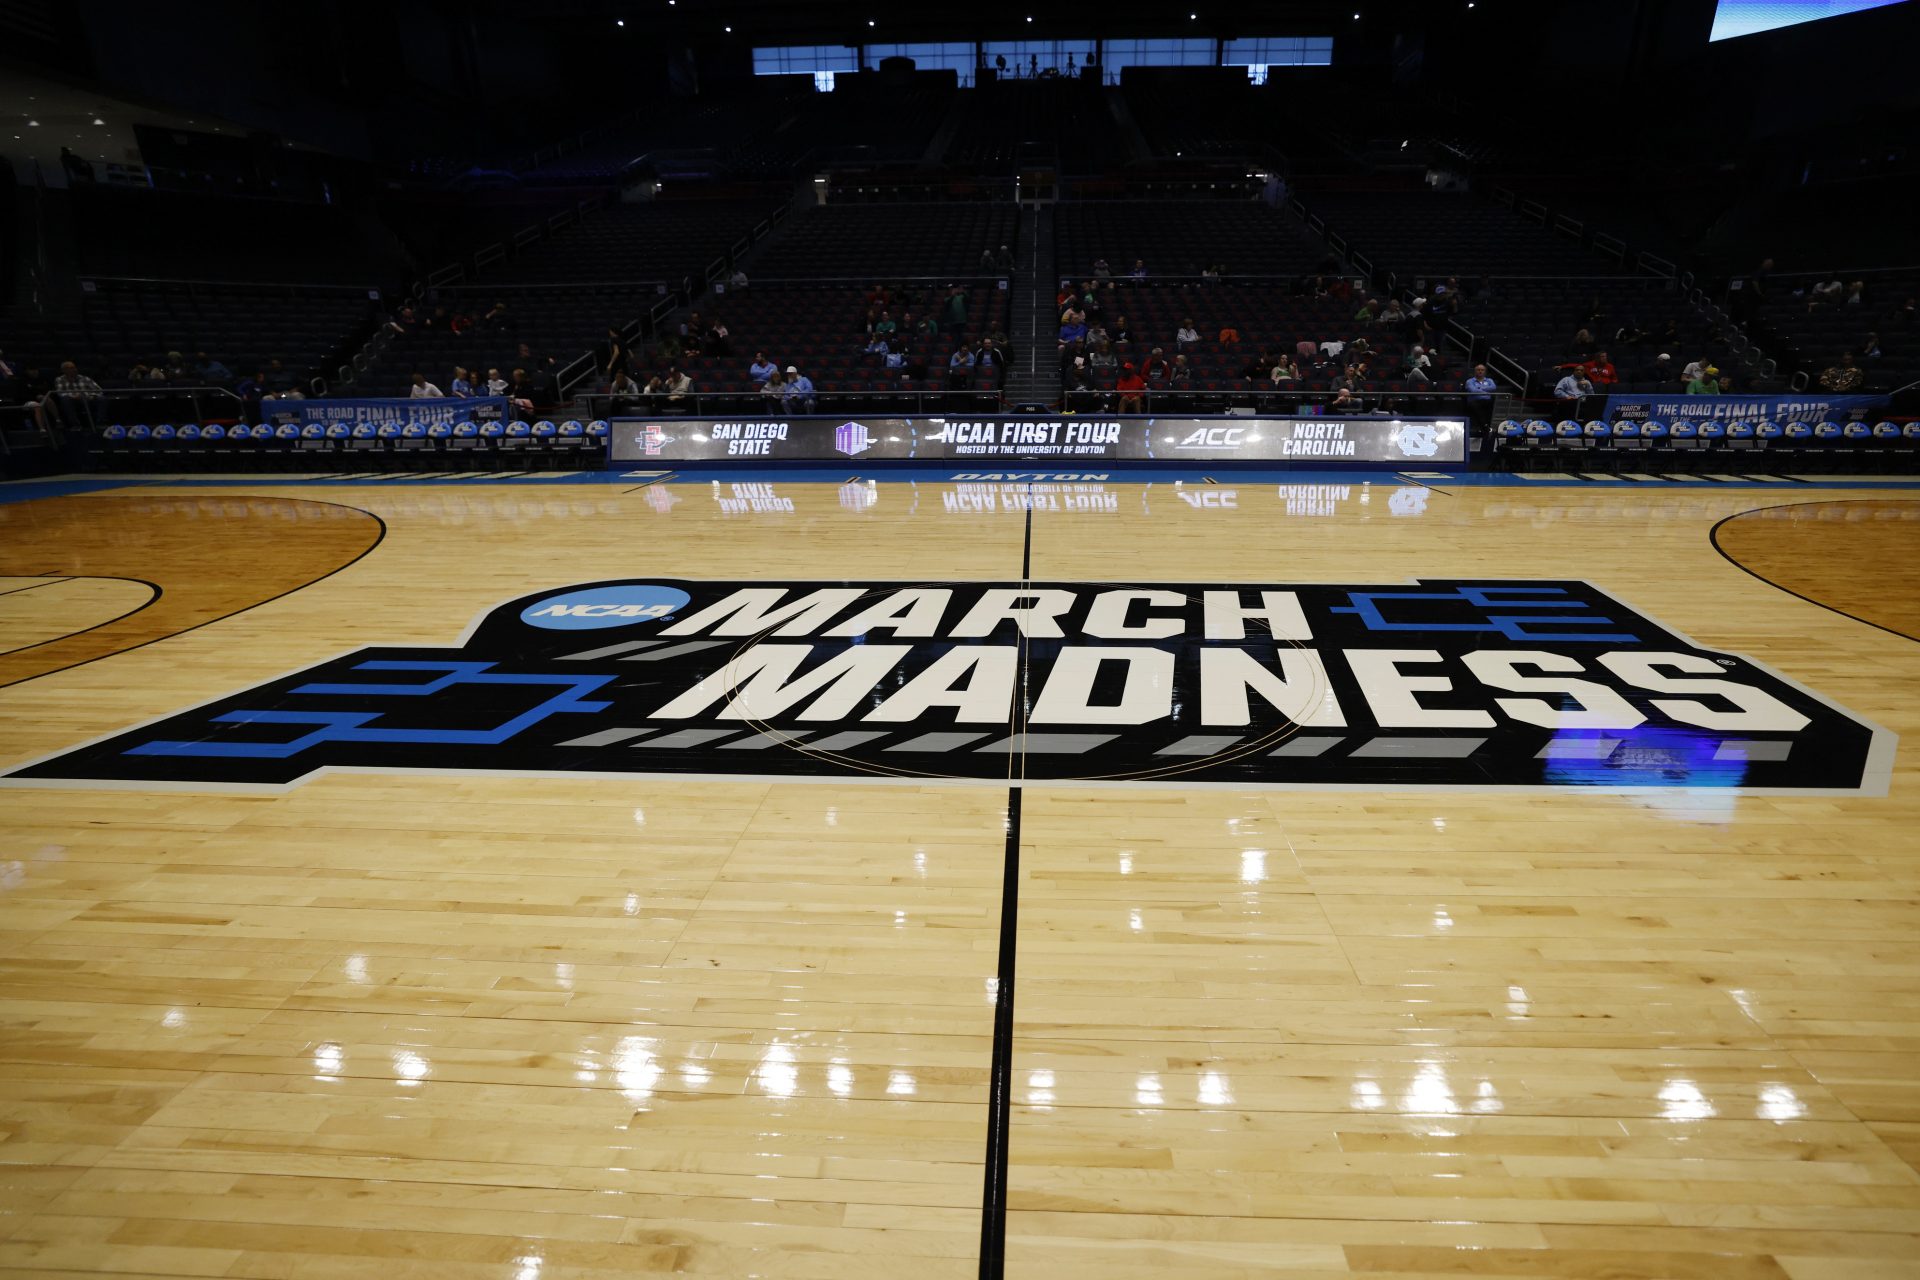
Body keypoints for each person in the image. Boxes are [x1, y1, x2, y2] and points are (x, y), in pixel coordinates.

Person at [1464, 364, 1497, 443]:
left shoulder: (1489, 380)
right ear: (1475, 371)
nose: (1480, 371)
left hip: (1487, 401)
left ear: (1485, 372)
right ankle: (1485, 427)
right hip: (1474, 401)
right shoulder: (1470, 381)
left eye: (1482, 370)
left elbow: (1493, 387)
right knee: (1477, 408)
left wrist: (1479, 388)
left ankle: (1484, 426)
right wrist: (1485, 391)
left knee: (1488, 407)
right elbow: (1473, 391)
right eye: (1478, 370)